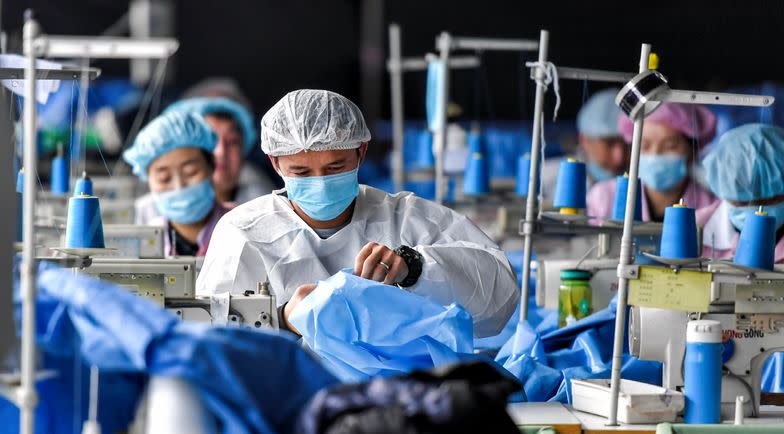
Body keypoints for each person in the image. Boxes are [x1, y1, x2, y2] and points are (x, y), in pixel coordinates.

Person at [197, 89, 519, 338]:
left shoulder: (405, 219)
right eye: (301, 172)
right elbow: (211, 336)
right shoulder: (243, 234)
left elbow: (498, 297)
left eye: (335, 167)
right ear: (275, 163)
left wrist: (415, 268)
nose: (320, 184)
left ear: (361, 152)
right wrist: (281, 319)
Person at [134, 94, 276, 224]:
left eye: (232, 142)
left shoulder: (264, 205)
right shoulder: (149, 211)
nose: (221, 152)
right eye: (212, 139)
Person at [123, 110, 232, 256]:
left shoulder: (241, 228)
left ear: (212, 166)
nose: (179, 186)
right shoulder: (143, 243)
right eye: (164, 178)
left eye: (191, 172)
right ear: (148, 180)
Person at [587, 102, 717, 222]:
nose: (655, 154)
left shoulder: (712, 209)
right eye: (644, 145)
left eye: (669, 146)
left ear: (693, 150)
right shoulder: (604, 198)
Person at [698, 123, 784, 262]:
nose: (757, 209)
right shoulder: (695, 229)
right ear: (723, 189)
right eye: (742, 201)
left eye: (770, 200)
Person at [539, 89, 629, 201]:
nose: (619, 157)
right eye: (609, 143)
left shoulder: (644, 186)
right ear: (584, 140)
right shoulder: (545, 180)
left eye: (628, 144)